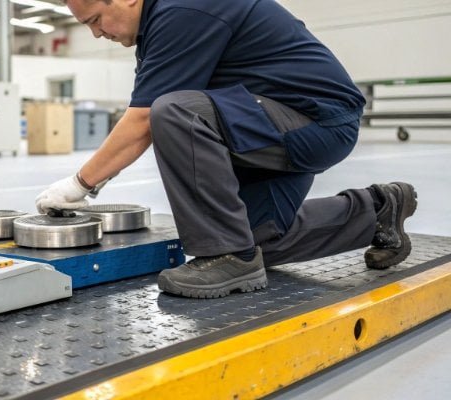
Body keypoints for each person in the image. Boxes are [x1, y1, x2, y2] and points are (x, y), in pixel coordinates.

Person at [34, 0, 417, 298]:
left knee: (175, 111)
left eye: (95, 20)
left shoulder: (184, 10)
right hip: (267, 124)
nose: (98, 34)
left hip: (315, 122)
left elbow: (143, 120)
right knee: (261, 242)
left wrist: (80, 184)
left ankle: (227, 258)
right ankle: (378, 211)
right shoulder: (158, 26)